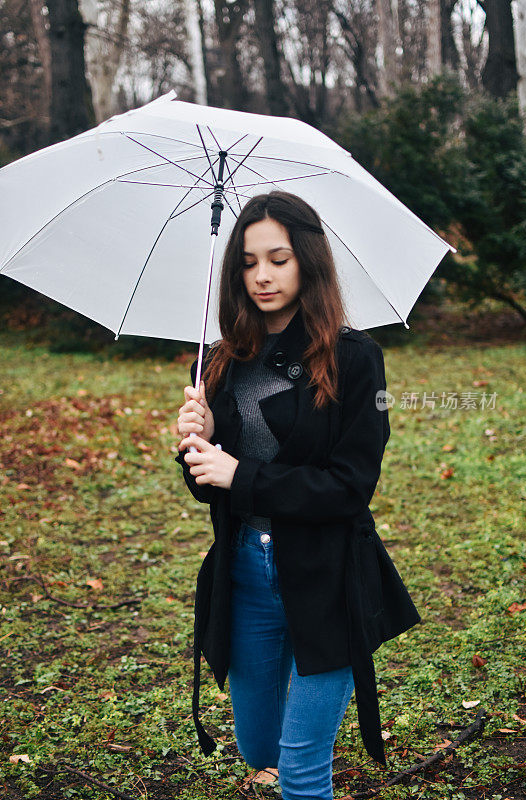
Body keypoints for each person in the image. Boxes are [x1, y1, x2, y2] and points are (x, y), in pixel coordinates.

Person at [175, 190, 421, 800]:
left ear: (307, 261)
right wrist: (196, 449)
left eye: (278, 259)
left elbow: (349, 487)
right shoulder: (224, 359)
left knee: (303, 767)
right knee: (258, 748)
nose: (261, 275)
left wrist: (241, 474)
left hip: (328, 575)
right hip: (246, 575)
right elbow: (211, 487)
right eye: (248, 262)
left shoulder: (356, 360)